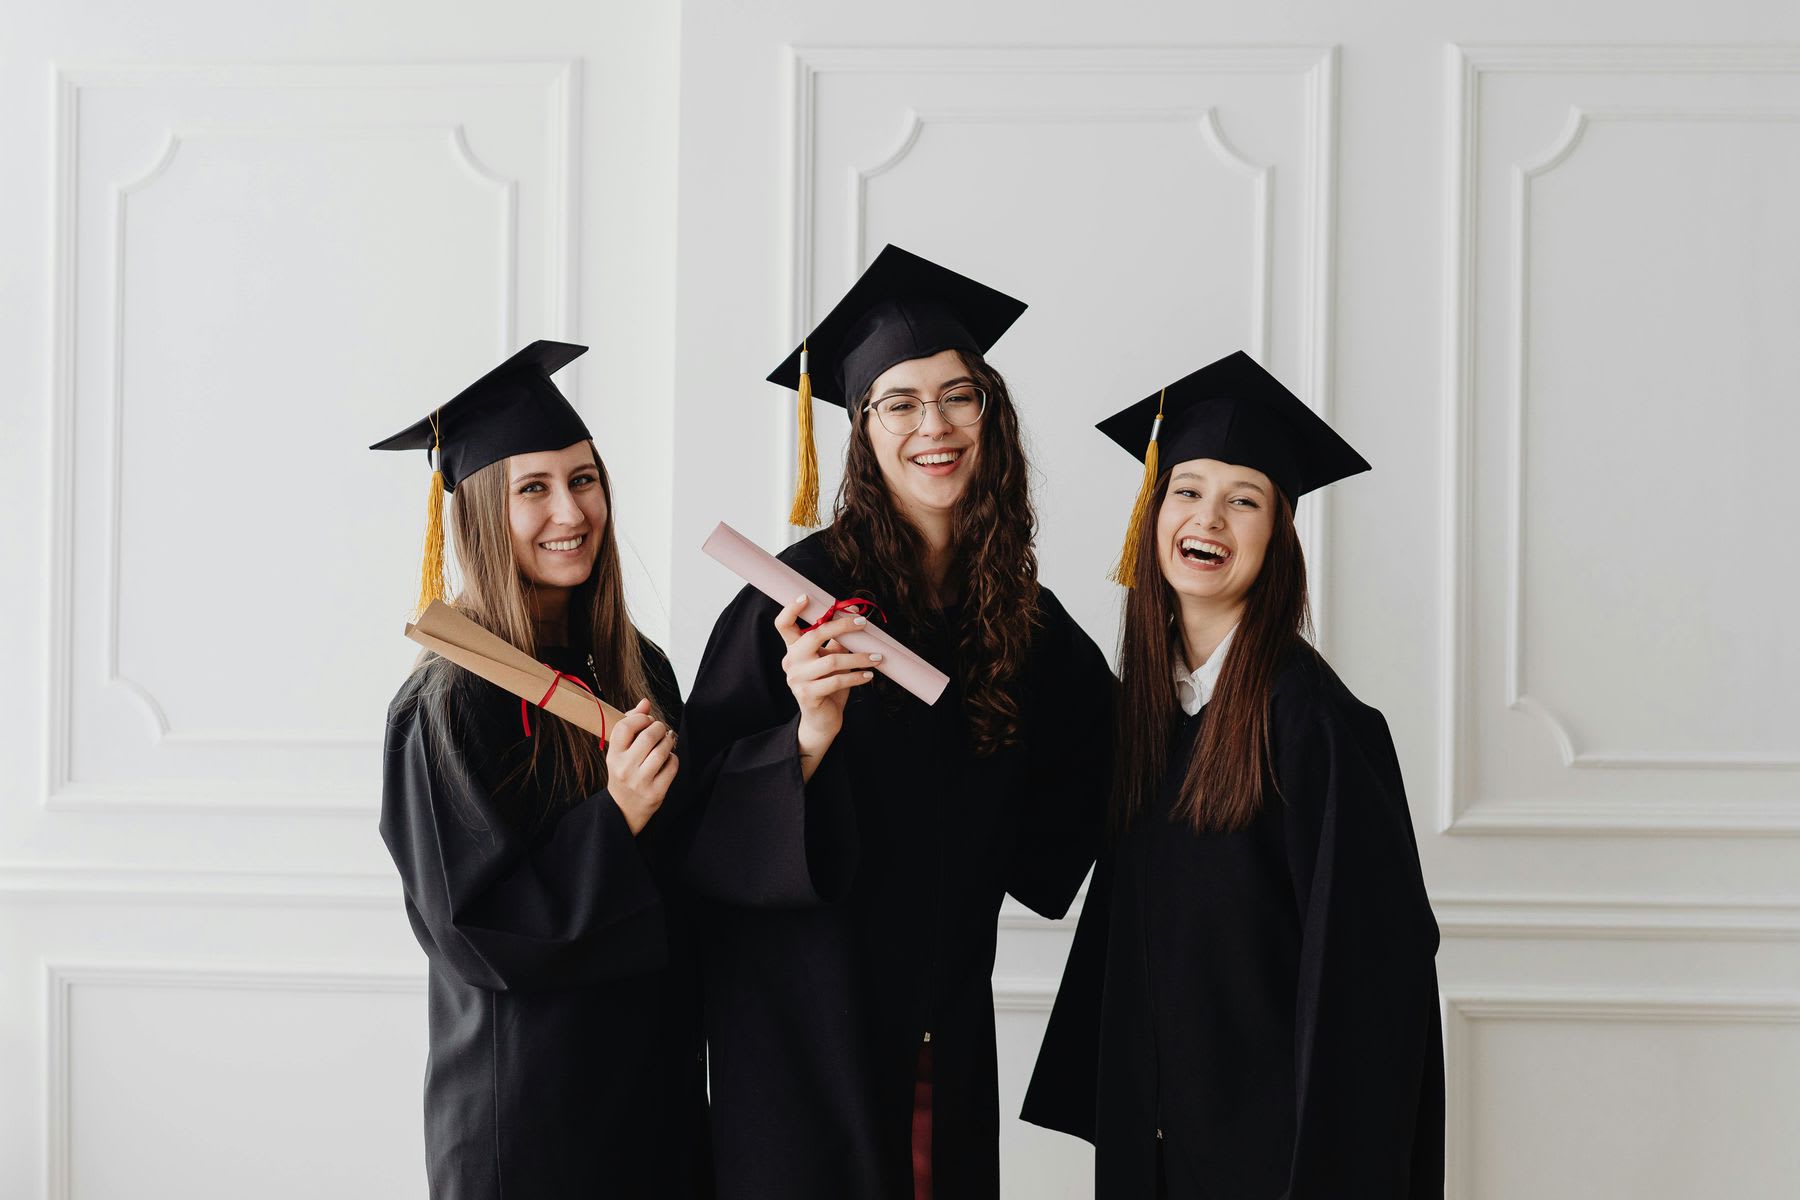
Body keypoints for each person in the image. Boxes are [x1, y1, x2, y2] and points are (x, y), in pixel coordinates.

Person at [678, 246, 1115, 1199]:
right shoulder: (791, 603)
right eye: (901, 402)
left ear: (990, 415)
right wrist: (805, 734)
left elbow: (1104, 767)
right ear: (861, 430)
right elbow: (690, 822)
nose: (936, 426)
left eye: (959, 396)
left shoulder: (1023, 615)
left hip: (942, 1017)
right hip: (801, 1026)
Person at [1022, 350, 1444, 1197]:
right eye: (1186, 489)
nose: (1207, 516)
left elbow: (1374, 981)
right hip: (1154, 1144)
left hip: (1275, 1156)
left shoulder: (1315, 724)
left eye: (1243, 499)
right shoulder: (1146, 712)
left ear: (1278, 535)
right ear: (1153, 511)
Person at [372, 341, 711, 1198]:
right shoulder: (447, 705)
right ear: (485, 510)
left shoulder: (642, 669)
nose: (571, 509)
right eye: (534, 488)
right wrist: (618, 815)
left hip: (657, 1095)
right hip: (528, 1116)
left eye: (585, 478)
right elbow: (471, 930)